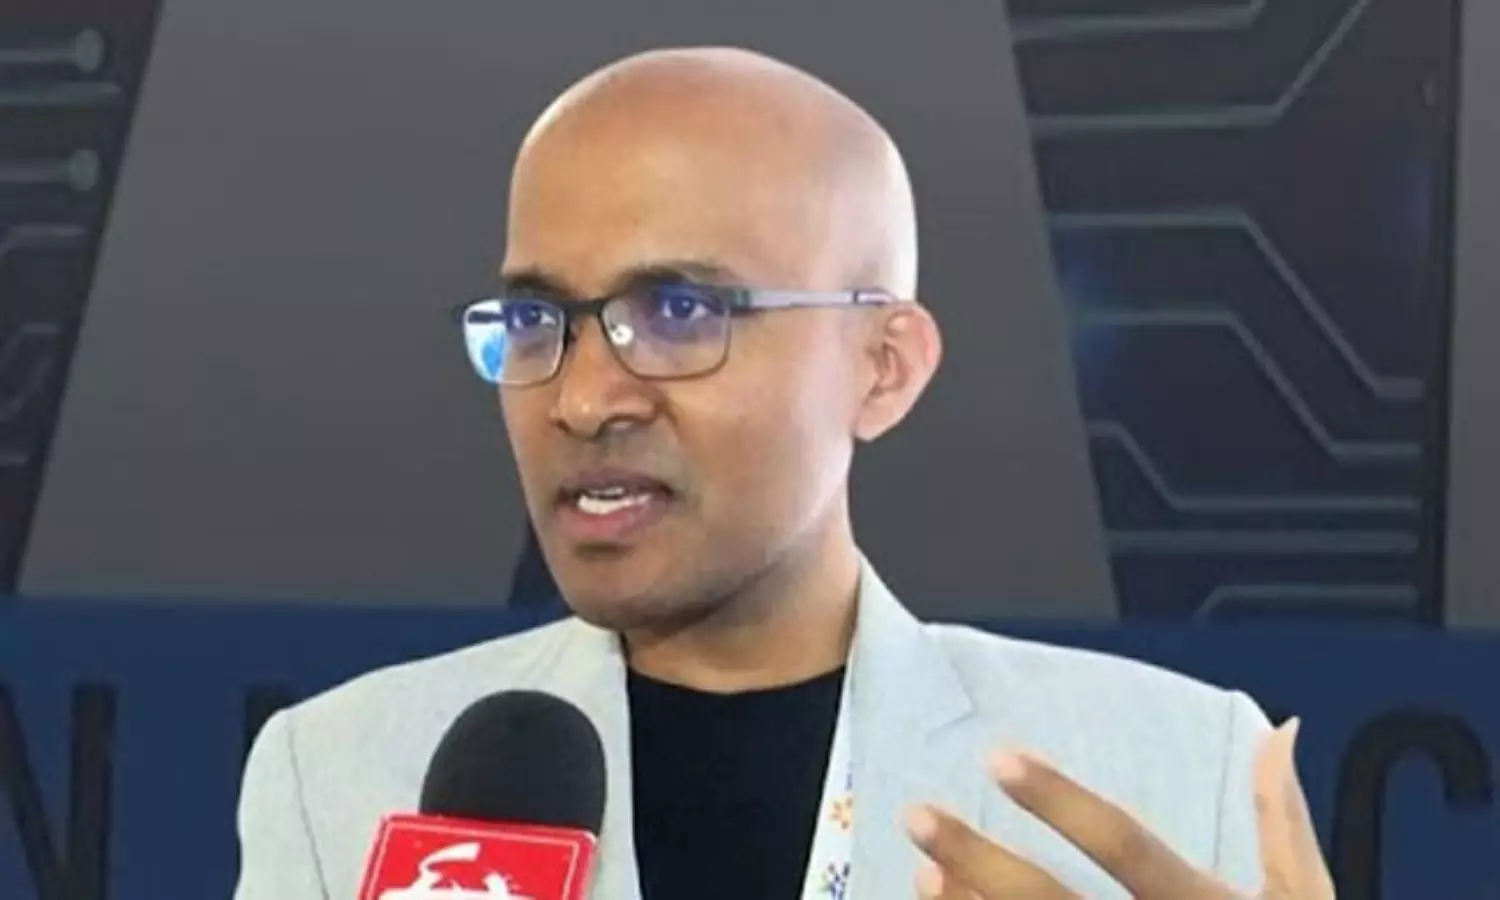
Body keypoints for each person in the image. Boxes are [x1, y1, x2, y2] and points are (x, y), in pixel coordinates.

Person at [232, 47, 1335, 900]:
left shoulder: (1175, 772)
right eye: (535, 320)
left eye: (678, 311)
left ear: (883, 368)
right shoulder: (337, 778)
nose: (582, 400)